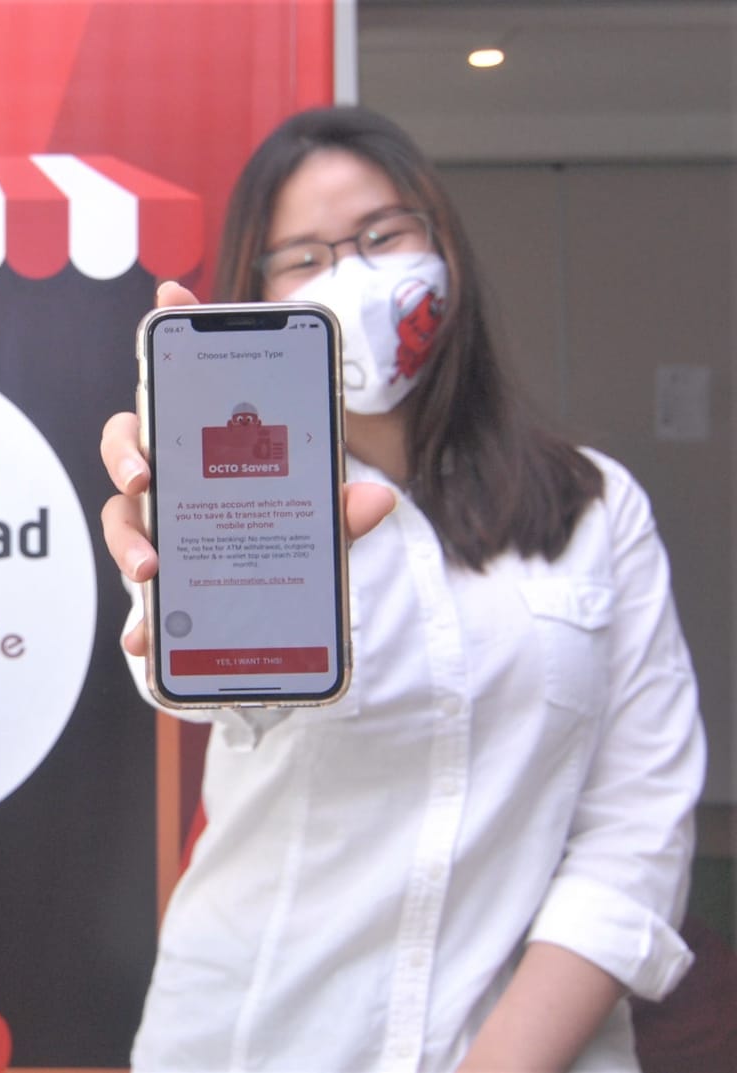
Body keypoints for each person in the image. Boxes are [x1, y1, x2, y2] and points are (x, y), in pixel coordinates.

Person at [99, 106, 705, 1072]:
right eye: (303, 257)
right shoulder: (246, 504)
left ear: (443, 246)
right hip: (254, 1037)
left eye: (382, 235)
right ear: (257, 297)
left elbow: (637, 826)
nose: (353, 275)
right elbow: (217, 698)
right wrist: (185, 549)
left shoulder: (597, 507)